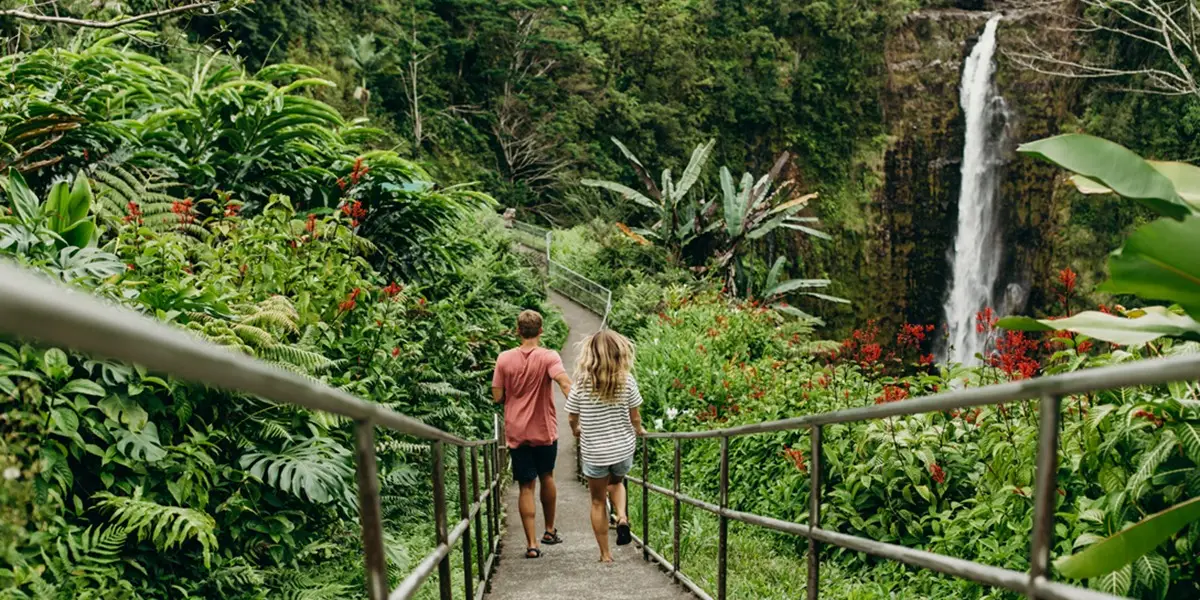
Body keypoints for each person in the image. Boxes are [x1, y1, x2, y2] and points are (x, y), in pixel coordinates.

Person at [492, 310, 571, 559]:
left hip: (516, 430)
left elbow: (497, 396)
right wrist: (579, 411)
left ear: (518, 331)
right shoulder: (549, 357)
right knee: (547, 476)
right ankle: (549, 531)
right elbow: (564, 382)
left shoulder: (504, 359)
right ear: (541, 331)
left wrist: (511, 394)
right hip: (543, 429)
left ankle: (532, 544)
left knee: (526, 485)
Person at [566, 329, 645, 563]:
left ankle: (605, 555)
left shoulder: (581, 382)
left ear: (591, 354)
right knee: (617, 483)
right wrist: (639, 431)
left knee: (598, 501)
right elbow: (635, 417)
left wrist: (576, 431)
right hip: (622, 449)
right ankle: (621, 517)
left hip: (595, 453)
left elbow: (572, 416)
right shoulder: (626, 380)